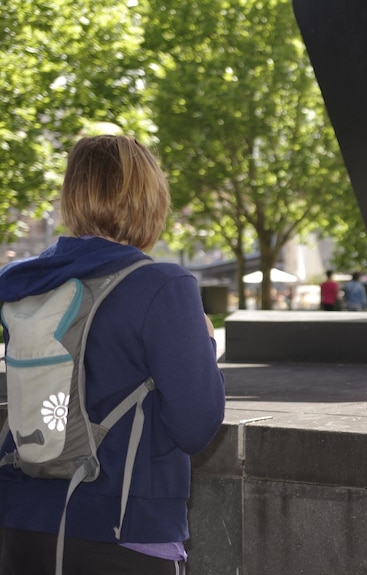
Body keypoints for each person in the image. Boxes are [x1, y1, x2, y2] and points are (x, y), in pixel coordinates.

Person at [0, 135, 226, 575]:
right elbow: (196, 426)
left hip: (21, 523)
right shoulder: (161, 285)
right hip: (124, 531)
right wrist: (206, 344)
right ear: (150, 200)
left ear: (72, 196)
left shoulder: (22, 283)